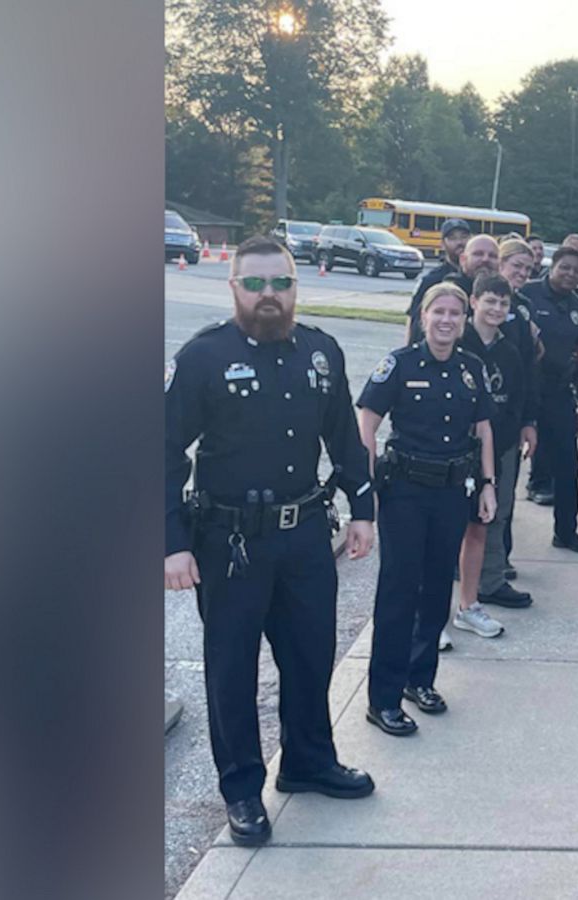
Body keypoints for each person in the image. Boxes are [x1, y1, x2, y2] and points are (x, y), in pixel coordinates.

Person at [165, 235, 377, 847]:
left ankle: (308, 762)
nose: (268, 294)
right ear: (233, 287)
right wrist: (171, 541)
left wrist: (361, 508)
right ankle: (240, 790)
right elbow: (160, 451)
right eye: (254, 283)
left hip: (306, 535)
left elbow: (344, 437)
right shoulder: (204, 357)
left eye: (279, 282)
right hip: (229, 543)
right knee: (231, 671)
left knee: (311, 656)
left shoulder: (321, 351)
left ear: (295, 285)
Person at [357, 282, 498, 736]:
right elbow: (367, 425)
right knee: (399, 592)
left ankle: (420, 680)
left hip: (452, 493)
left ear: (463, 319)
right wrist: (367, 489)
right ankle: (383, 698)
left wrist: (488, 484)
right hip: (405, 493)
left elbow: (483, 429)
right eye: (439, 311)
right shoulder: (397, 366)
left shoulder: (471, 368)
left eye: (455, 313)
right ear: (423, 316)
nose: (447, 320)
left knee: (437, 589)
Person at [451, 274, 532, 640]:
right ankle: (438, 607)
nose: (497, 309)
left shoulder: (510, 350)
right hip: (452, 449)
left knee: (490, 518)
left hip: (498, 447)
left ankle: (485, 587)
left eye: (504, 303)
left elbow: (517, 398)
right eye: (490, 301)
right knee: (447, 526)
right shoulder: (454, 340)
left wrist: (516, 433)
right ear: (474, 301)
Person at [518, 244, 578, 554]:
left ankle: (566, 532)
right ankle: (500, 553)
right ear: (552, 267)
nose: (570, 274)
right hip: (522, 393)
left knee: (568, 466)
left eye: (576, 271)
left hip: (559, 395)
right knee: (505, 470)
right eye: (565, 267)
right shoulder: (527, 295)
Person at [477, 239, 542, 607]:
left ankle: (491, 577)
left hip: (504, 428)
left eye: (528, 269)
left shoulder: (525, 311)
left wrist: (527, 421)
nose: (521, 273)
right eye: (516, 265)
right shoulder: (468, 316)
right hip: (462, 431)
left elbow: (527, 374)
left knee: (499, 509)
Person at [406, 234, 500, 344]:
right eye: (478, 254)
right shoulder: (446, 293)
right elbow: (416, 333)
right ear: (463, 259)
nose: (485, 259)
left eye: (492, 256)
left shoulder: (503, 298)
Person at [406, 218, 472, 317]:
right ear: (442, 244)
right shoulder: (431, 280)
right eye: (452, 238)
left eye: (464, 237)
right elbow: (413, 317)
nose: (459, 242)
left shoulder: (478, 276)